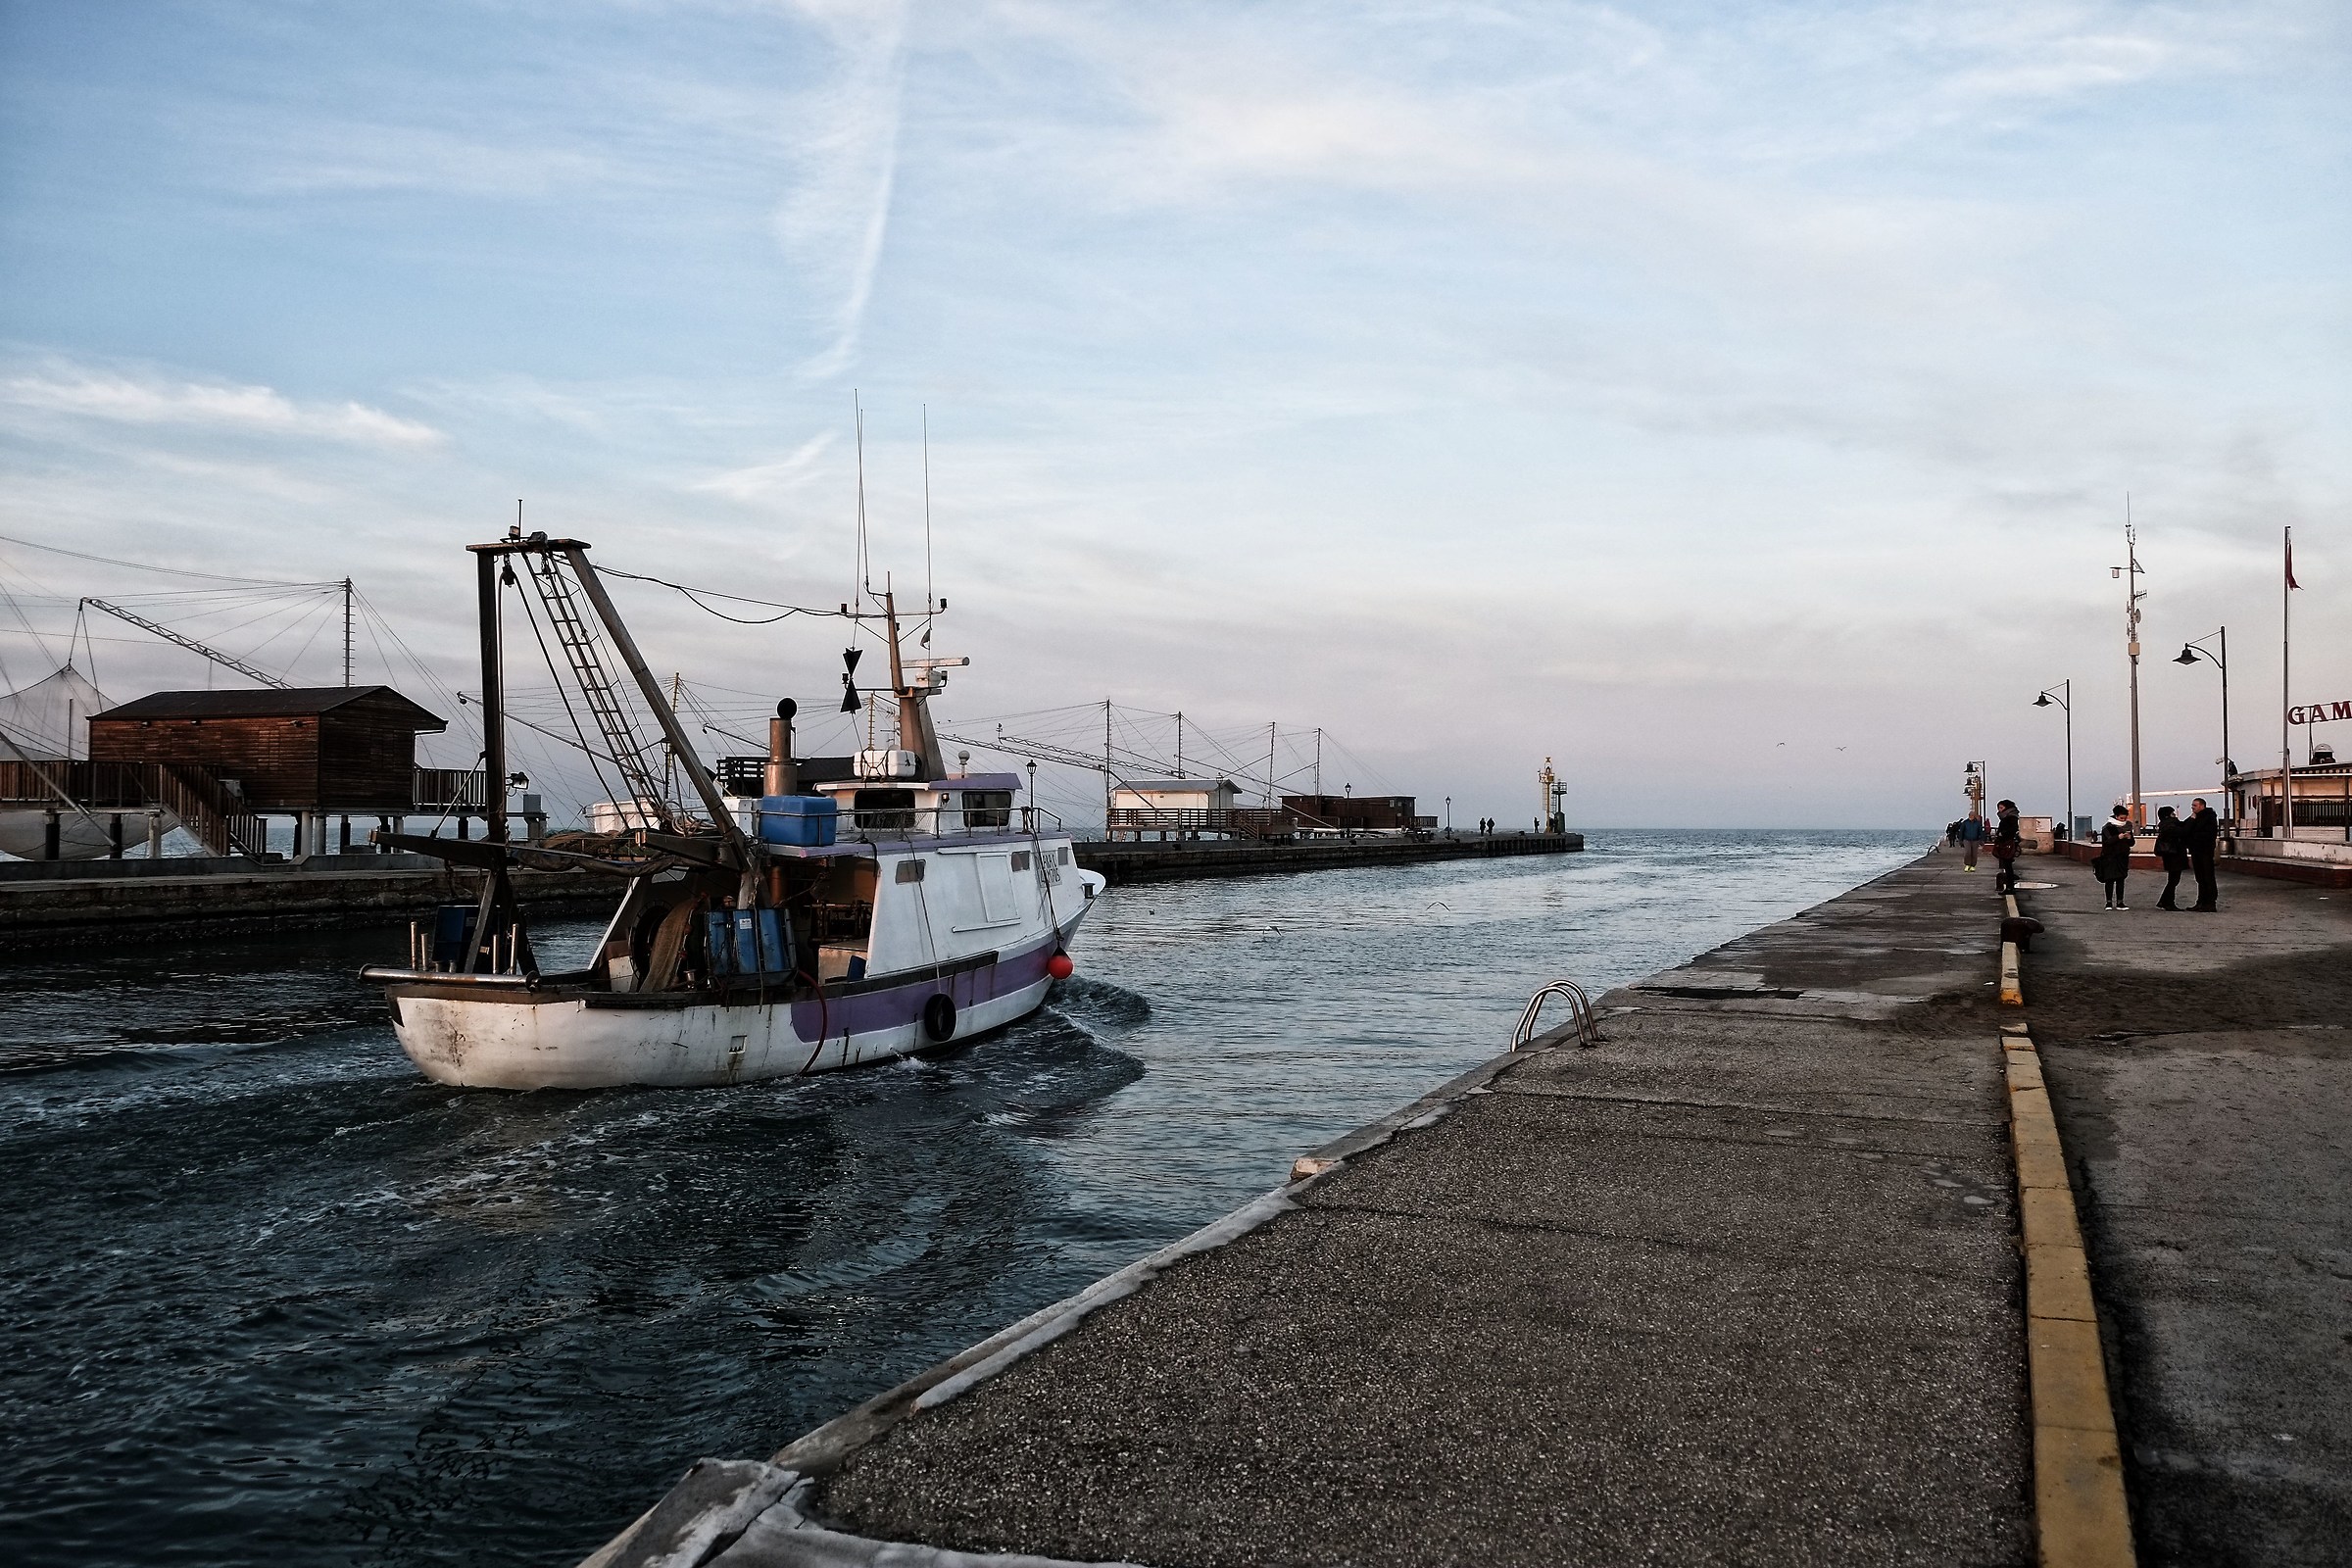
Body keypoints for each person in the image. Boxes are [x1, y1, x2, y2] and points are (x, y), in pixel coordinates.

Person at [2094, 806, 2136, 909]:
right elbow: (2107, 841)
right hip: (2110, 857)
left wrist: (2129, 838)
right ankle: (2108, 902)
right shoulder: (2108, 827)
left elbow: (2132, 843)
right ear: (2116, 816)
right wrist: (2118, 837)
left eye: (2125, 818)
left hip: (2122, 857)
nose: (2123, 820)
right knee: (2109, 879)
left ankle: (2120, 902)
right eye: (2121, 818)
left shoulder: (2128, 827)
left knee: (2120, 879)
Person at [2152, 805, 2189, 909]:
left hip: (2171, 856)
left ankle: (2164, 901)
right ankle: (2168, 903)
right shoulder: (2170, 826)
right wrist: (2191, 819)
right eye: (2172, 813)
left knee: (2173, 880)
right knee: (2173, 881)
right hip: (2174, 856)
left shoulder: (2166, 825)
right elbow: (2183, 831)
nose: (2175, 816)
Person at [2186, 797, 2221, 911]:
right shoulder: (2196, 817)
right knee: (2200, 877)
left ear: (2201, 806)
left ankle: (2210, 903)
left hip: (2205, 851)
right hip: (2197, 851)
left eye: (2194, 806)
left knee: (2207, 876)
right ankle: (2201, 902)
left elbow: (2206, 834)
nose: (2192, 808)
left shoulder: (2209, 818)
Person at [1991, 799, 2022, 893]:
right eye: (1998, 808)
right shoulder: (2009, 817)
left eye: (2001, 808)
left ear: (2006, 808)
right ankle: (2010, 883)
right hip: (2005, 843)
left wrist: (2002, 834)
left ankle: (2010, 887)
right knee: (2007, 865)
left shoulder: (2011, 818)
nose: (1999, 810)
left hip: (2007, 844)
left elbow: (2012, 830)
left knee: (2008, 865)